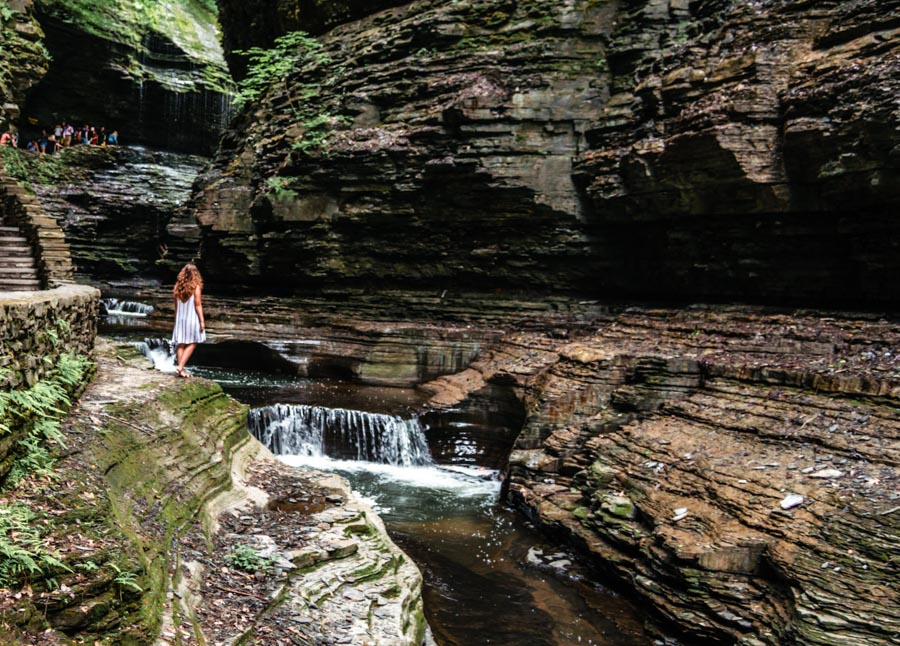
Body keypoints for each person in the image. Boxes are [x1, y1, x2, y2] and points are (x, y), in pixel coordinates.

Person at [172, 262, 206, 378]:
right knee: (192, 342)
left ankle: (181, 369)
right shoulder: (196, 287)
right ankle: (180, 368)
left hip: (180, 319)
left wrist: (176, 320)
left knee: (180, 343)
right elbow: (198, 305)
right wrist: (202, 321)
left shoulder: (177, 287)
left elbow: (176, 306)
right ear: (195, 274)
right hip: (191, 318)